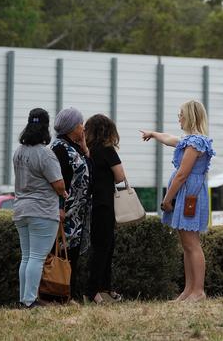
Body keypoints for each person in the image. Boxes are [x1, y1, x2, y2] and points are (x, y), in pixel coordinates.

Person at [140, 100, 215, 302]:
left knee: (192, 243)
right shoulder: (190, 140)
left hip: (189, 193)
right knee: (187, 244)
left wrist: (167, 199)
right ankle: (188, 290)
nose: (178, 118)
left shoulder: (195, 142)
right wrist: (154, 134)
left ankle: (198, 291)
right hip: (188, 192)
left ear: (189, 116)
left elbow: (182, 174)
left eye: (180, 114)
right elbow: (169, 138)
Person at [12, 108, 67, 308]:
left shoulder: (19, 151)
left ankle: (24, 298)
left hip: (21, 209)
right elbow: (59, 184)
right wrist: (63, 193)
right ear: (46, 126)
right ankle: (30, 300)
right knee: (37, 257)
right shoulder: (46, 153)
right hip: (42, 210)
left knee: (26, 256)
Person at [51, 107, 92, 301]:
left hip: (76, 213)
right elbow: (58, 181)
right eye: (80, 124)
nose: (83, 128)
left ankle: (69, 295)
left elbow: (89, 171)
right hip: (66, 213)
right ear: (71, 127)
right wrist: (60, 206)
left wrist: (84, 148)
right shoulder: (59, 148)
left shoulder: (73, 146)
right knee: (62, 256)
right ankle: (59, 294)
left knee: (73, 255)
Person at [84, 114, 126, 304]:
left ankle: (103, 289)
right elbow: (120, 176)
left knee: (100, 247)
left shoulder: (87, 150)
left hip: (91, 203)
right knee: (105, 249)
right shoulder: (108, 151)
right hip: (105, 204)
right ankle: (94, 291)